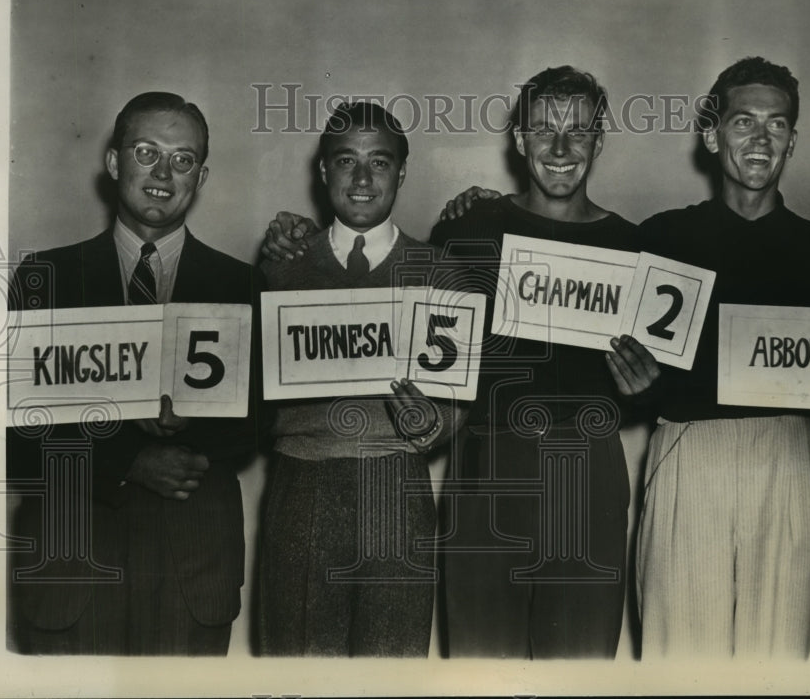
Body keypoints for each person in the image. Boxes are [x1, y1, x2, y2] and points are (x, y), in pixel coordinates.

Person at [436, 57, 810, 658]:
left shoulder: (646, 243)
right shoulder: (647, 238)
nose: (562, 146)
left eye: (776, 125)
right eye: (544, 129)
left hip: (705, 464)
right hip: (539, 463)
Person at [262, 67, 660, 658]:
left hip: (587, 465)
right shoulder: (472, 226)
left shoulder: (634, 248)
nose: (559, 148)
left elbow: (656, 381)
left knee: (580, 663)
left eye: (577, 132)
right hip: (487, 458)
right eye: (542, 130)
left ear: (599, 142)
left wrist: (646, 386)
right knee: (478, 663)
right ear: (519, 139)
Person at [7, 92, 261, 655]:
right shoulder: (44, 277)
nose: (163, 173)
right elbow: (13, 435)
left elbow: (257, 427)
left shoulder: (241, 286)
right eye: (146, 152)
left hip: (192, 564)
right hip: (72, 564)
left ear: (202, 175)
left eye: (183, 158)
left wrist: (188, 422)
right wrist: (128, 458)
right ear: (115, 161)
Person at [254, 101, 465, 657]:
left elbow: (458, 399)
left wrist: (435, 424)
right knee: (298, 667)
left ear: (402, 172)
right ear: (323, 171)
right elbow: (252, 394)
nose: (364, 177)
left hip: (398, 483)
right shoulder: (281, 266)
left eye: (380, 162)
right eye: (347, 161)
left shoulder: (440, 270)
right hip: (302, 481)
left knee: (392, 670)